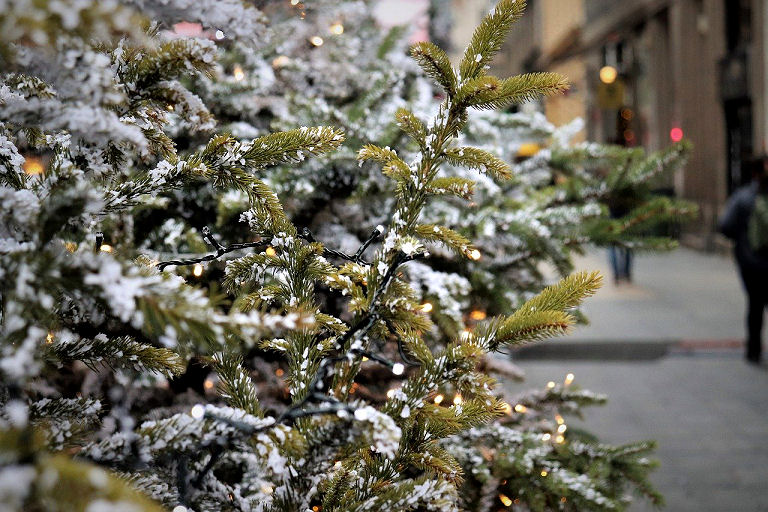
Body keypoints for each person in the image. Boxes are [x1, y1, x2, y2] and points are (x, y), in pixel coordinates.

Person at [719, 157, 768, 364]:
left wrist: (742, 240)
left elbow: (725, 226)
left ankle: (753, 350)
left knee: (755, 307)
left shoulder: (742, 197)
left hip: (751, 263)